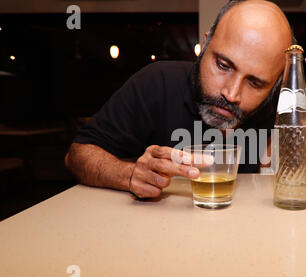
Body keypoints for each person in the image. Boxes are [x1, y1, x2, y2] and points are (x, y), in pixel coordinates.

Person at [65, 0, 293, 198]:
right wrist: (130, 174)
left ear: (274, 85)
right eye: (223, 66)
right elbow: (77, 155)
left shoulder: (276, 108)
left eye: (254, 83)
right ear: (204, 46)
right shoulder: (157, 82)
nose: (232, 94)